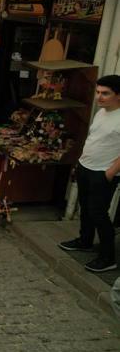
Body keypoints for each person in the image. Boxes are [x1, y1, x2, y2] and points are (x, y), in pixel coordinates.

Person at [59, 75, 120, 272]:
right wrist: (81, 162)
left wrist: (110, 173)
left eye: (105, 93)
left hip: (103, 172)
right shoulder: (101, 113)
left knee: (98, 213)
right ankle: (85, 241)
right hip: (86, 166)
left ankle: (107, 257)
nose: (99, 97)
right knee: (85, 208)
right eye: (98, 92)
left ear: (118, 95)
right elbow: (94, 139)